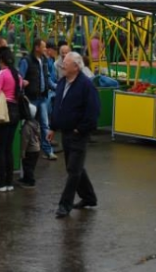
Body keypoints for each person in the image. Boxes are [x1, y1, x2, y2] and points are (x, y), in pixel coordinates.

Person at [50, 52, 100, 217]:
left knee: (73, 170)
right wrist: (53, 127)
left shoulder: (86, 85)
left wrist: (82, 128)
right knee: (74, 168)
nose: (63, 65)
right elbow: (58, 105)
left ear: (76, 67)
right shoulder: (62, 82)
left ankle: (65, 205)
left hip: (78, 134)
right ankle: (89, 197)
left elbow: (93, 110)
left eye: (66, 63)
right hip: (65, 132)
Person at [0, 47, 24, 192]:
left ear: (1, 60)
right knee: (8, 149)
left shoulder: (1, 74)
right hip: (15, 113)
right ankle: (9, 183)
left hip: (2, 112)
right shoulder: (18, 76)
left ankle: (0, 184)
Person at [19, 39, 56, 160]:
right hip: (31, 99)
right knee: (29, 126)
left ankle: (47, 150)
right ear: (37, 48)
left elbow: (47, 78)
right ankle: (28, 151)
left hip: (43, 97)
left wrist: (56, 87)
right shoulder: (26, 61)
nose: (45, 49)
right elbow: (20, 78)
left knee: (45, 125)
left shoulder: (44, 60)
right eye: (43, 47)